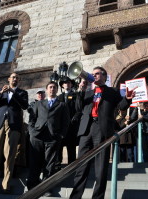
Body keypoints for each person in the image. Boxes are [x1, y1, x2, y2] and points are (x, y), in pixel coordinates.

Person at [69, 66, 135, 199]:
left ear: (104, 77)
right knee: (81, 167)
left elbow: (121, 106)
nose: (95, 76)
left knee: (101, 168)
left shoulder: (112, 91)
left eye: (98, 74)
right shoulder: (87, 92)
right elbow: (78, 107)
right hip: (86, 130)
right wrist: (81, 90)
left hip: (102, 129)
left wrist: (127, 99)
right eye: (93, 74)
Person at [0, 73, 28, 194]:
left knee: (10, 155)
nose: (15, 79)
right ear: (8, 79)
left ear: (18, 81)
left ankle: (6, 184)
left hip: (14, 125)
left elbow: (24, 105)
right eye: (13, 77)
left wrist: (13, 93)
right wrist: (1, 93)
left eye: (17, 78)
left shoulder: (22, 93)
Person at [27, 81, 69, 192]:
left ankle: (45, 187)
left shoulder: (62, 105)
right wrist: (31, 132)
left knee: (50, 163)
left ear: (57, 90)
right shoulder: (39, 104)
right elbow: (32, 119)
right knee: (35, 161)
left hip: (53, 137)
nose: (52, 89)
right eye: (50, 87)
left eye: (54, 87)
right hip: (37, 136)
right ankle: (32, 186)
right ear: (46, 90)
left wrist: (60, 136)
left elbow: (66, 122)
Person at [57, 77, 79, 167]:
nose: (67, 84)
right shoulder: (59, 97)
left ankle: (72, 166)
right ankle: (57, 166)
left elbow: (78, 109)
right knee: (59, 147)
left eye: (69, 83)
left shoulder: (75, 95)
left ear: (71, 84)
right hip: (61, 127)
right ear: (62, 85)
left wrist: (75, 117)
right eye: (65, 83)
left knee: (71, 147)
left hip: (71, 126)